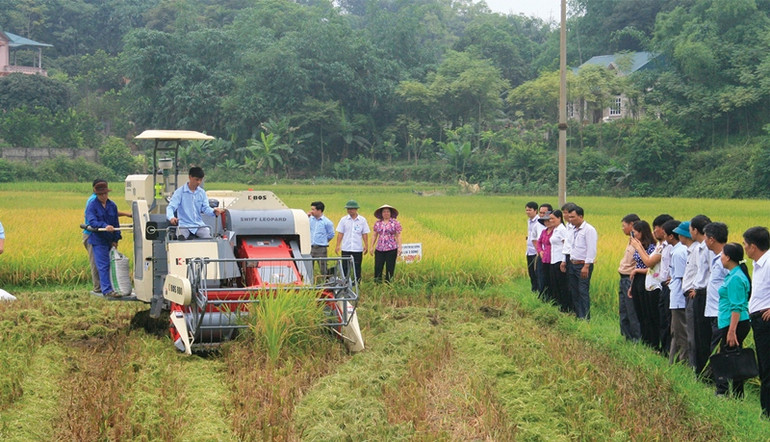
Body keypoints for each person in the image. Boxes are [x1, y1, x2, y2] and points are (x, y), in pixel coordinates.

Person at [714, 242, 751, 398]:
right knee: (733, 356)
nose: (721, 257)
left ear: (728, 257)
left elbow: (736, 307)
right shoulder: (734, 274)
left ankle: (724, 392)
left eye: (722, 254)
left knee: (728, 357)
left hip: (734, 323)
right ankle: (736, 393)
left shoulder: (736, 278)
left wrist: (731, 331)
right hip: (730, 322)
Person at [83, 178, 131, 295]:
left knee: (112, 264)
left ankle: (115, 287)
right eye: (101, 194)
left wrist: (116, 239)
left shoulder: (112, 205)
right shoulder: (92, 205)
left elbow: (116, 223)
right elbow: (92, 221)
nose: (103, 196)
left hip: (109, 239)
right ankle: (106, 290)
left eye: (105, 194)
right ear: (96, 194)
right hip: (98, 239)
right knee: (102, 265)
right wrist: (104, 225)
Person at [744, 226, 770, 418]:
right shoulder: (759, 263)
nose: (744, 248)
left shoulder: (769, 262)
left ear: (753, 246)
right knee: (764, 366)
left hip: (766, 320)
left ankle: (767, 412)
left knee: (767, 368)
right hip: (759, 320)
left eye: (745, 244)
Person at [628, 220, 661, 350]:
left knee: (648, 313)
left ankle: (652, 342)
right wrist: (632, 286)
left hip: (647, 278)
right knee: (640, 312)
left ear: (642, 232)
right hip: (637, 279)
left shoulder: (653, 247)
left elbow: (651, 266)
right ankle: (644, 341)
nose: (633, 235)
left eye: (635, 232)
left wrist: (637, 270)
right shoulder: (639, 246)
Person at [167, 167, 224, 239]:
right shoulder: (179, 192)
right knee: (180, 238)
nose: (199, 182)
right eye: (196, 180)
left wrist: (213, 211)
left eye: (200, 180)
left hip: (198, 225)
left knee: (208, 237)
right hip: (184, 225)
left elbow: (205, 208)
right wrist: (171, 217)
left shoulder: (202, 193)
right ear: (190, 177)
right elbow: (171, 207)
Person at [687, 214, 713, 375]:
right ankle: (700, 371)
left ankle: (705, 373)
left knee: (703, 336)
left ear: (695, 230)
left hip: (705, 295)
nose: (690, 232)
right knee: (698, 335)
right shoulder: (700, 248)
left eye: (690, 229)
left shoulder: (709, 249)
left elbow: (711, 274)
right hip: (699, 293)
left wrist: (698, 290)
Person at [560, 205, 596, 319]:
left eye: (573, 217)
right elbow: (568, 246)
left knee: (583, 291)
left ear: (581, 216)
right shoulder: (572, 229)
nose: (570, 219)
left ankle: (585, 318)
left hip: (582, 265)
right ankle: (578, 315)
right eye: (569, 217)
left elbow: (591, 249)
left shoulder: (589, 230)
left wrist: (586, 266)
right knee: (574, 291)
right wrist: (565, 261)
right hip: (572, 264)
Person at [703, 222, 730, 374]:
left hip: (721, 312)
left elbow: (733, 284)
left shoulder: (725, 260)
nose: (704, 241)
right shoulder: (718, 258)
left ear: (712, 239)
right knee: (715, 347)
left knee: (719, 349)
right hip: (714, 311)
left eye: (706, 238)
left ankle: (720, 380)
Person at [667, 220, 689, 364]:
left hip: (679, 299)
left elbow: (681, 278)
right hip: (677, 298)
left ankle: (683, 363)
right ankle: (673, 362)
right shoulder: (680, 250)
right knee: (676, 332)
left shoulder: (679, 253)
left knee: (681, 334)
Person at [618, 213, 642, 342]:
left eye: (624, 226)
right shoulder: (631, 241)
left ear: (632, 225)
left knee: (632, 310)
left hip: (630, 279)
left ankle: (636, 339)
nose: (623, 229)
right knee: (623, 310)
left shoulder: (639, 242)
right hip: (623, 278)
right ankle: (626, 337)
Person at [540, 210, 568, 311]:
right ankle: (557, 305)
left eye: (552, 218)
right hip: (553, 260)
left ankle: (564, 307)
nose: (550, 220)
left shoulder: (562, 230)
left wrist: (564, 261)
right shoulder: (555, 230)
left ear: (559, 218)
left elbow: (566, 246)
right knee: (554, 284)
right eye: (550, 219)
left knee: (561, 285)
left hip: (560, 260)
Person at [335, 200, 369, 283]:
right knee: (345, 267)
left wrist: (366, 245)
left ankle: (357, 282)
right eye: (348, 209)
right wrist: (337, 245)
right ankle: (345, 283)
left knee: (357, 267)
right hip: (346, 248)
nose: (349, 210)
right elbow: (340, 233)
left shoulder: (362, 220)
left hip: (357, 248)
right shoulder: (343, 220)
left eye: (351, 209)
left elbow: (364, 233)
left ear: (356, 209)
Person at [370, 204, 402, 283]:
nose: (386, 213)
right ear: (381, 213)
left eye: (388, 211)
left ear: (390, 213)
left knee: (390, 268)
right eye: (384, 212)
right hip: (379, 249)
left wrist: (400, 247)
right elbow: (374, 235)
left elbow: (398, 236)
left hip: (391, 248)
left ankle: (388, 285)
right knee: (378, 267)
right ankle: (377, 284)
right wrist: (371, 246)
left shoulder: (395, 223)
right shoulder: (378, 223)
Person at [308, 201, 336, 278]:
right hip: (310, 247)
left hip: (321, 248)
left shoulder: (327, 222)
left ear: (319, 210)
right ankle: (309, 282)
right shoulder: (310, 219)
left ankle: (325, 282)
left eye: (313, 209)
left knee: (323, 267)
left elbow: (331, 234)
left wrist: (323, 241)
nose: (311, 211)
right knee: (308, 267)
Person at [525, 201, 545, 293]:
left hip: (536, 252)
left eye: (530, 210)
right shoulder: (529, 221)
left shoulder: (540, 222)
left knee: (538, 272)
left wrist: (539, 250)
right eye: (526, 210)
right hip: (529, 250)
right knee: (531, 273)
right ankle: (534, 290)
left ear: (535, 211)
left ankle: (539, 290)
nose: (528, 212)